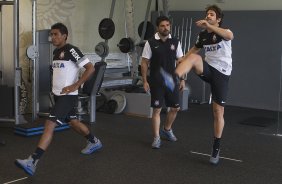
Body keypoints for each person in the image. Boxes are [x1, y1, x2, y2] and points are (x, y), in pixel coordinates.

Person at [15, 23, 102, 176]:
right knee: (74, 123)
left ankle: (33, 161)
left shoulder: (71, 50)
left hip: (68, 97)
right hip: (59, 96)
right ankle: (94, 141)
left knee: (49, 124)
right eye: (51, 34)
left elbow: (90, 68)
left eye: (56, 34)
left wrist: (76, 85)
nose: (52, 37)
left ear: (64, 35)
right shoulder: (56, 52)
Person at [174, 5, 234, 164]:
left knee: (218, 111)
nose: (208, 16)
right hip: (208, 70)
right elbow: (194, 49)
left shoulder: (223, 32)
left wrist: (210, 26)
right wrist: (183, 59)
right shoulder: (202, 36)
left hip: (221, 74)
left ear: (218, 19)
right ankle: (174, 78)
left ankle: (216, 148)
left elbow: (230, 35)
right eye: (207, 14)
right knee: (194, 59)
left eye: (211, 15)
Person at [141, 16, 185, 149]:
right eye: (162, 26)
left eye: (167, 25)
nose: (165, 28)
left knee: (175, 108)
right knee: (157, 110)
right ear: (157, 27)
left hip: (172, 81)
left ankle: (166, 129)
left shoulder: (175, 42)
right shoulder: (150, 42)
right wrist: (144, 81)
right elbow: (144, 62)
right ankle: (156, 138)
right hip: (156, 81)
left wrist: (182, 79)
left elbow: (181, 61)